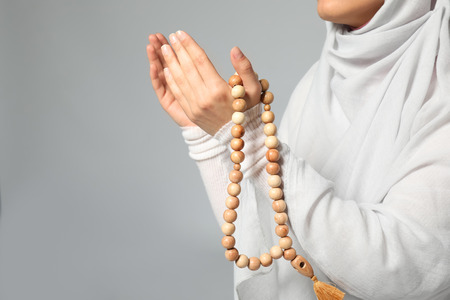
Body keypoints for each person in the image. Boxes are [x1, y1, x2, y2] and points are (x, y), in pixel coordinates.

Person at [147, 0, 450, 299]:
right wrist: (208, 138)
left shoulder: (443, 84)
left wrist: (251, 142)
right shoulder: (318, 82)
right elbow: (275, 242)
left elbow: (410, 268)